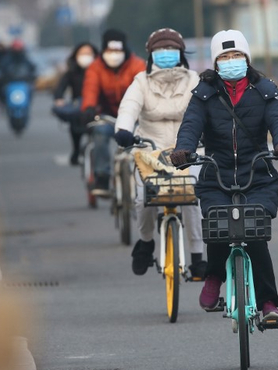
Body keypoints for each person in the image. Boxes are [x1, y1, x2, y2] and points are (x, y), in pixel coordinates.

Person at [171, 30, 278, 327]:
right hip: (216, 173)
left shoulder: (266, 90)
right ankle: (214, 277)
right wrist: (184, 149)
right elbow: (191, 125)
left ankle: (268, 304)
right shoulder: (204, 93)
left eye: (236, 56)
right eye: (224, 57)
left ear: (247, 58)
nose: (231, 62)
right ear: (215, 63)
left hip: (258, 175)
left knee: (255, 236)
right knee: (217, 224)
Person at [112, 28, 206, 278]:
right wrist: (123, 130)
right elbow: (128, 108)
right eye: (160, 50)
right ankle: (145, 242)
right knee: (143, 199)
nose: (165, 54)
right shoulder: (141, 82)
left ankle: (197, 256)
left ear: (181, 53)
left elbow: (208, 109)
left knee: (193, 196)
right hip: (150, 153)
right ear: (150, 54)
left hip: (189, 152)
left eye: (171, 49)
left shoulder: (194, 80)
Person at [81, 29, 146, 196]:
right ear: (103, 50)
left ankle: (146, 178)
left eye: (118, 51)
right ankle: (102, 176)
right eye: (110, 51)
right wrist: (88, 107)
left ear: (125, 50)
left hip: (134, 117)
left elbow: (146, 90)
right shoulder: (95, 68)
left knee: (145, 141)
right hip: (108, 117)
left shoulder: (137, 65)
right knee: (100, 134)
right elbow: (90, 89)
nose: (114, 55)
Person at [52, 42, 98, 166]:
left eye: (88, 54)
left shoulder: (99, 71)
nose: (85, 56)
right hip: (78, 105)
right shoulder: (71, 72)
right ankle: (76, 150)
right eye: (82, 54)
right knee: (75, 126)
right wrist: (59, 98)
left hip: (96, 105)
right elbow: (60, 88)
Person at [0, 40, 37, 105]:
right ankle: (3, 102)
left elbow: (31, 67)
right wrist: (1, 75)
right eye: (16, 49)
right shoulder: (7, 59)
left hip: (23, 81)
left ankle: (28, 103)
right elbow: (2, 68)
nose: (17, 50)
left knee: (30, 90)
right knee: (3, 90)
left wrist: (33, 75)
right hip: (11, 82)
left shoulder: (24, 59)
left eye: (19, 48)